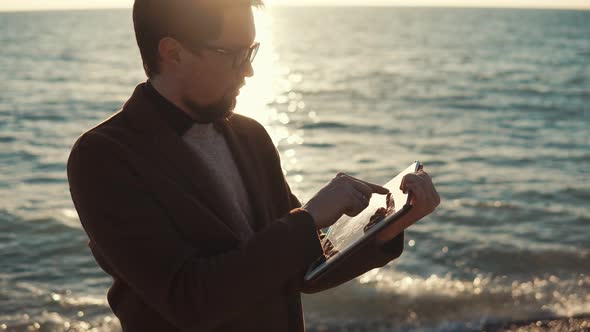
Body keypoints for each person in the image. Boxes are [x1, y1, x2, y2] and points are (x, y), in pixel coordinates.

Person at [66, 0, 440, 331]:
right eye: (235, 54)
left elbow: (304, 270)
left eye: (252, 51)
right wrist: (307, 220)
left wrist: (386, 229)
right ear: (173, 52)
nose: (248, 72)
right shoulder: (103, 157)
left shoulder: (250, 136)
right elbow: (189, 301)